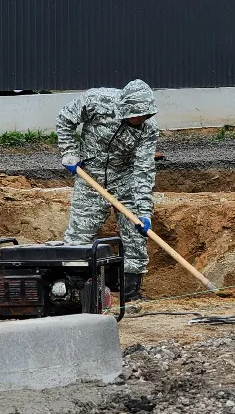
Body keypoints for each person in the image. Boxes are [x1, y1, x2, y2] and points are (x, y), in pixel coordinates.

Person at [56, 79, 159, 301]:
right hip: (90, 176)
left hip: (124, 178)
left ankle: (130, 292)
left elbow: (144, 170)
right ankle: (74, 290)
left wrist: (144, 211)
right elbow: (65, 118)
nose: (141, 120)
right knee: (79, 235)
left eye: (145, 115)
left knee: (135, 233)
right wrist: (69, 151)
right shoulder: (97, 101)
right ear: (125, 109)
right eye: (137, 115)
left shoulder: (148, 129)